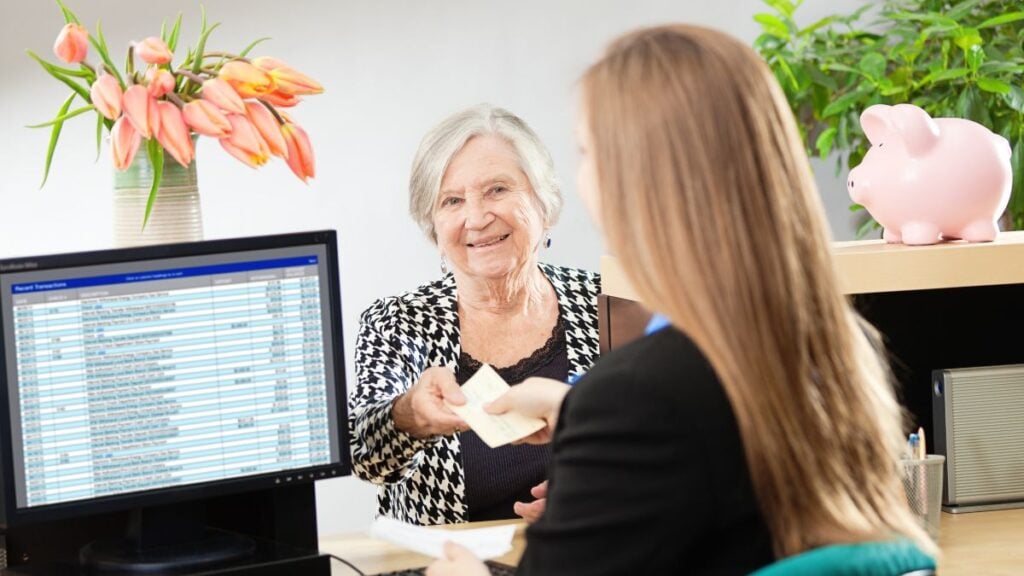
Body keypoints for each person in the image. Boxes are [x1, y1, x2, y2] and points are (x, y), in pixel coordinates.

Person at [427, 24, 936, 575]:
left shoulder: (637, 392)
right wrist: (578, 411)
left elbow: (668, 411)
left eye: (586, 151)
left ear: (638, 179)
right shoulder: (842, 344)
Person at [349, 104, 601, 525]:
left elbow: (667, 443)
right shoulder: (397, 321)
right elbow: (364, 458)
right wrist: (410, 415)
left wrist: (601, 497)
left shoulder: (607, 301)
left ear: (543, 201)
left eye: (497, 190)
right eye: (451, 200)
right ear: (433, 225)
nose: (477, 217)